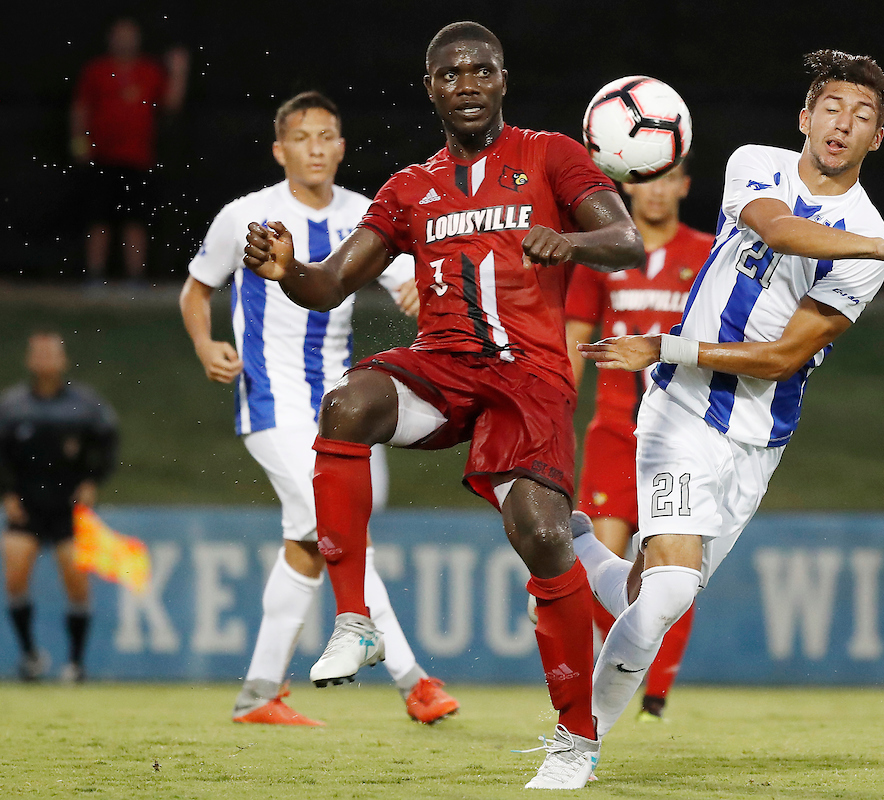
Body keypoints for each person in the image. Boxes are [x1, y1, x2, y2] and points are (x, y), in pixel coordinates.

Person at [242, 22, 644, 788]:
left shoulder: (549, 154)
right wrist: (288, 269)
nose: (467, 83)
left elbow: (625, 239)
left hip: (529, 377)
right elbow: (328, 286)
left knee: (536, 532)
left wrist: (574, 244)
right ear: (430, 87)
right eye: (450, 73)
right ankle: (355, 620)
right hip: (446, 368)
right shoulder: (409, 188)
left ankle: (575, 738)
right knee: (349, 404)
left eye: (481, 70)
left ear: (502, 80)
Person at [573, 50, 884, 747]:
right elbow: (777, 228)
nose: (843, 124)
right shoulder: (758, 164)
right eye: (832, 108)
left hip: (756, 439)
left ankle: (588, 555)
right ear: (805, 117)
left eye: (862, 116)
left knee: (648, 591)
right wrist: (665, 352)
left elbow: (781, 359)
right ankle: (576, 744)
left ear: (878, 139)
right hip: (681, 405)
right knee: (664, 599)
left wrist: (876, 250)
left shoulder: (870, 247)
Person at [180, 91, 456, 727]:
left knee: (310, 545)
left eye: (326, 135)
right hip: (270, 401)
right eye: (301, 138)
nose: (314, 147)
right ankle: (414, 681)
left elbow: (406, 280)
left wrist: (421, 293)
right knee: (341, 532)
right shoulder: (246, 217)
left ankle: (258, 693)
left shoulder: (364, 215)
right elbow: (197, 289)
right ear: (280, 150)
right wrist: (205, 343)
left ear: (340, 146)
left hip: (339, 408)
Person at [562, 161, 711, 721]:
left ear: (683, 186)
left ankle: (654, 692)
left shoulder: (707, 253)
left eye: (667, 177)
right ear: (627, 180)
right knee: (602, 559)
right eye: (645, 176)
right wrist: (553, 417)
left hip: (682, 435)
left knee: (673, 564)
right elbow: (573, 343)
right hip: (613, 435)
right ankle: (627, 660)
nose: (655, 189)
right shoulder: (604, 257)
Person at [0, 332, 118, 683]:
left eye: (53, 353)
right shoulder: (12, 406)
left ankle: (75, 664)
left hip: (69, 508)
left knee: (76, 582)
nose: (46, 360)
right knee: (15, 576)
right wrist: (6, 494)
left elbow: (108, 442)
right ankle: (30, 656)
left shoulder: (85, 405)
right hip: (26, 506)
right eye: (40, 354)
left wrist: (91, 481)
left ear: (63, 360)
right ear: (29, 360)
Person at [71, 18, 189, 284]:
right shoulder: (96, 70)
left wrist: (179, 71)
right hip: (101, 157)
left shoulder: (149, 70)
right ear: (110, 39)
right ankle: (95, 276)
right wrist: (79, 144)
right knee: (98, 218)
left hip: (138, 158)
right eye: (119, 35)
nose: (124, 41)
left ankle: (135, 278)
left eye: (130, 35)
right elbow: (81, 108)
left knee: (135, 220)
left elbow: (171, 105)